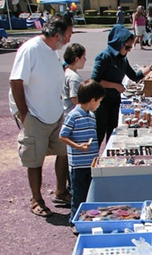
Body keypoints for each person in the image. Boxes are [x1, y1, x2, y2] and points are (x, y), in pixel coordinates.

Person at [9, 14, 73, 218]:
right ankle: (36, 199)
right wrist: (25, 114)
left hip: (54, 113)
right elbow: (16, 81)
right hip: (35, 115)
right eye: (68, 35)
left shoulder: (52, 51)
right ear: (57, 35)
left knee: (63, 153)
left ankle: (61, 192)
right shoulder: (31, 49)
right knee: (34, 159)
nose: (69, 40)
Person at [91, 24, 152, 146]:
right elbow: (94, 81)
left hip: (114, 101)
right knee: (99, 135)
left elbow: (134, 76)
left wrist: (150, 68)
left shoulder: (122, 59)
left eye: (130, 48)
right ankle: (93, 161)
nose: (129, 50)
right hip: (102, 103)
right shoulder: (104, 57)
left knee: (112, 134)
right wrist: (115, 86)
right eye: (127, 47)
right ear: (118, 43)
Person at [59, 79, 105, 233]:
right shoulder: (73, 115)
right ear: (92, 100)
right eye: (98, 101)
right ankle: (75, 222)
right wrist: (78, 146)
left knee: (89, 194)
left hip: (90, 163)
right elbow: (63, 135)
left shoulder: (91, 115)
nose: (99, 104)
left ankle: (87, 219)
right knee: (78, 196)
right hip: (78, 165)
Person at [63, 43, 86, 115]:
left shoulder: (66, 72)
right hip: (73, 115)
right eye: (83, 57)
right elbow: (75, 98)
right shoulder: (74, 77)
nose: (85, 60)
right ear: (76, 59)